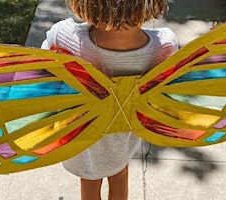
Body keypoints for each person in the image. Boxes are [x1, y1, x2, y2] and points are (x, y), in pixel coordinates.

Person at [41, 0, 178, 199]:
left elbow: (44, 73)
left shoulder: (62, 37)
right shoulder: (164, 45)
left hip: (82, 132)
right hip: (124, 132)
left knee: (89, 181)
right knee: (120, 173)